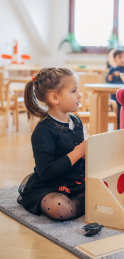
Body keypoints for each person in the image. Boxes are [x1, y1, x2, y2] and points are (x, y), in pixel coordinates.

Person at [18, 68, 86, 221]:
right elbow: (46, 172)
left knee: (108, 185)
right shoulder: (43, 131)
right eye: (74, 91)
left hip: (75, 182)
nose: (80, 95)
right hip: (50, 185)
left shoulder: (76, 122)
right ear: (55, 98)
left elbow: (80, 162)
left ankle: (85, 201)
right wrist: (78, 152)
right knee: (60, 207)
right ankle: (86, 203)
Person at [105, 49, 124, 127]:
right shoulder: (112, 69)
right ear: (114, 59)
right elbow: (107, 80)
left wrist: (120, 74)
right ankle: (117, 129)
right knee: (116, 115)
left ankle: (123, 129)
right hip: (114, 97)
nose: (122, 59)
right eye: (120, 57)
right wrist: (108, 78)